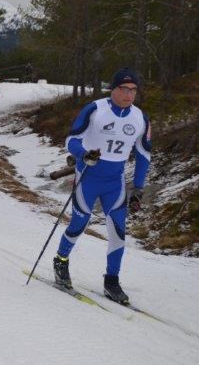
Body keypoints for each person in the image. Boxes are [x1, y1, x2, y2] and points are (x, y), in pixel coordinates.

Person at [52, 67, 151, 304]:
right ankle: (61, 261)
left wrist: (138, 187)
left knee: (118, 232)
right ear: (113, 89)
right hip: (88, 175)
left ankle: (112, 281)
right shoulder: (95, 110)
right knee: (79, 223)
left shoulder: (140, 118)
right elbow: (71, 140)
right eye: (124, 89)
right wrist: (83, 154)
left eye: (133, 90)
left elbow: (144, 154)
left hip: (114, 181)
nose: (129, 94)